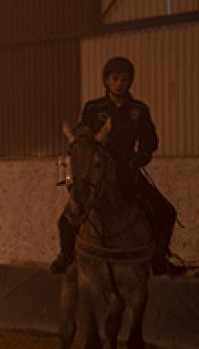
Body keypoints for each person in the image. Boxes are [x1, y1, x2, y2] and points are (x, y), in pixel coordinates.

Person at [51, 56, 186, 278]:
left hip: (127, 169)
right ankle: (66, 255)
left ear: (130, 81)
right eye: (114, 78)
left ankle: (159, 258)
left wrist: (140, 158)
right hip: (98, 171)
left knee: (166, 212)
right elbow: (83, 136)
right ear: (106, 80)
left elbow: (150, 141)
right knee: (67, 218)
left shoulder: (139, 109)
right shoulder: (93, 107)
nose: (119, 83)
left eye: (124, 79)